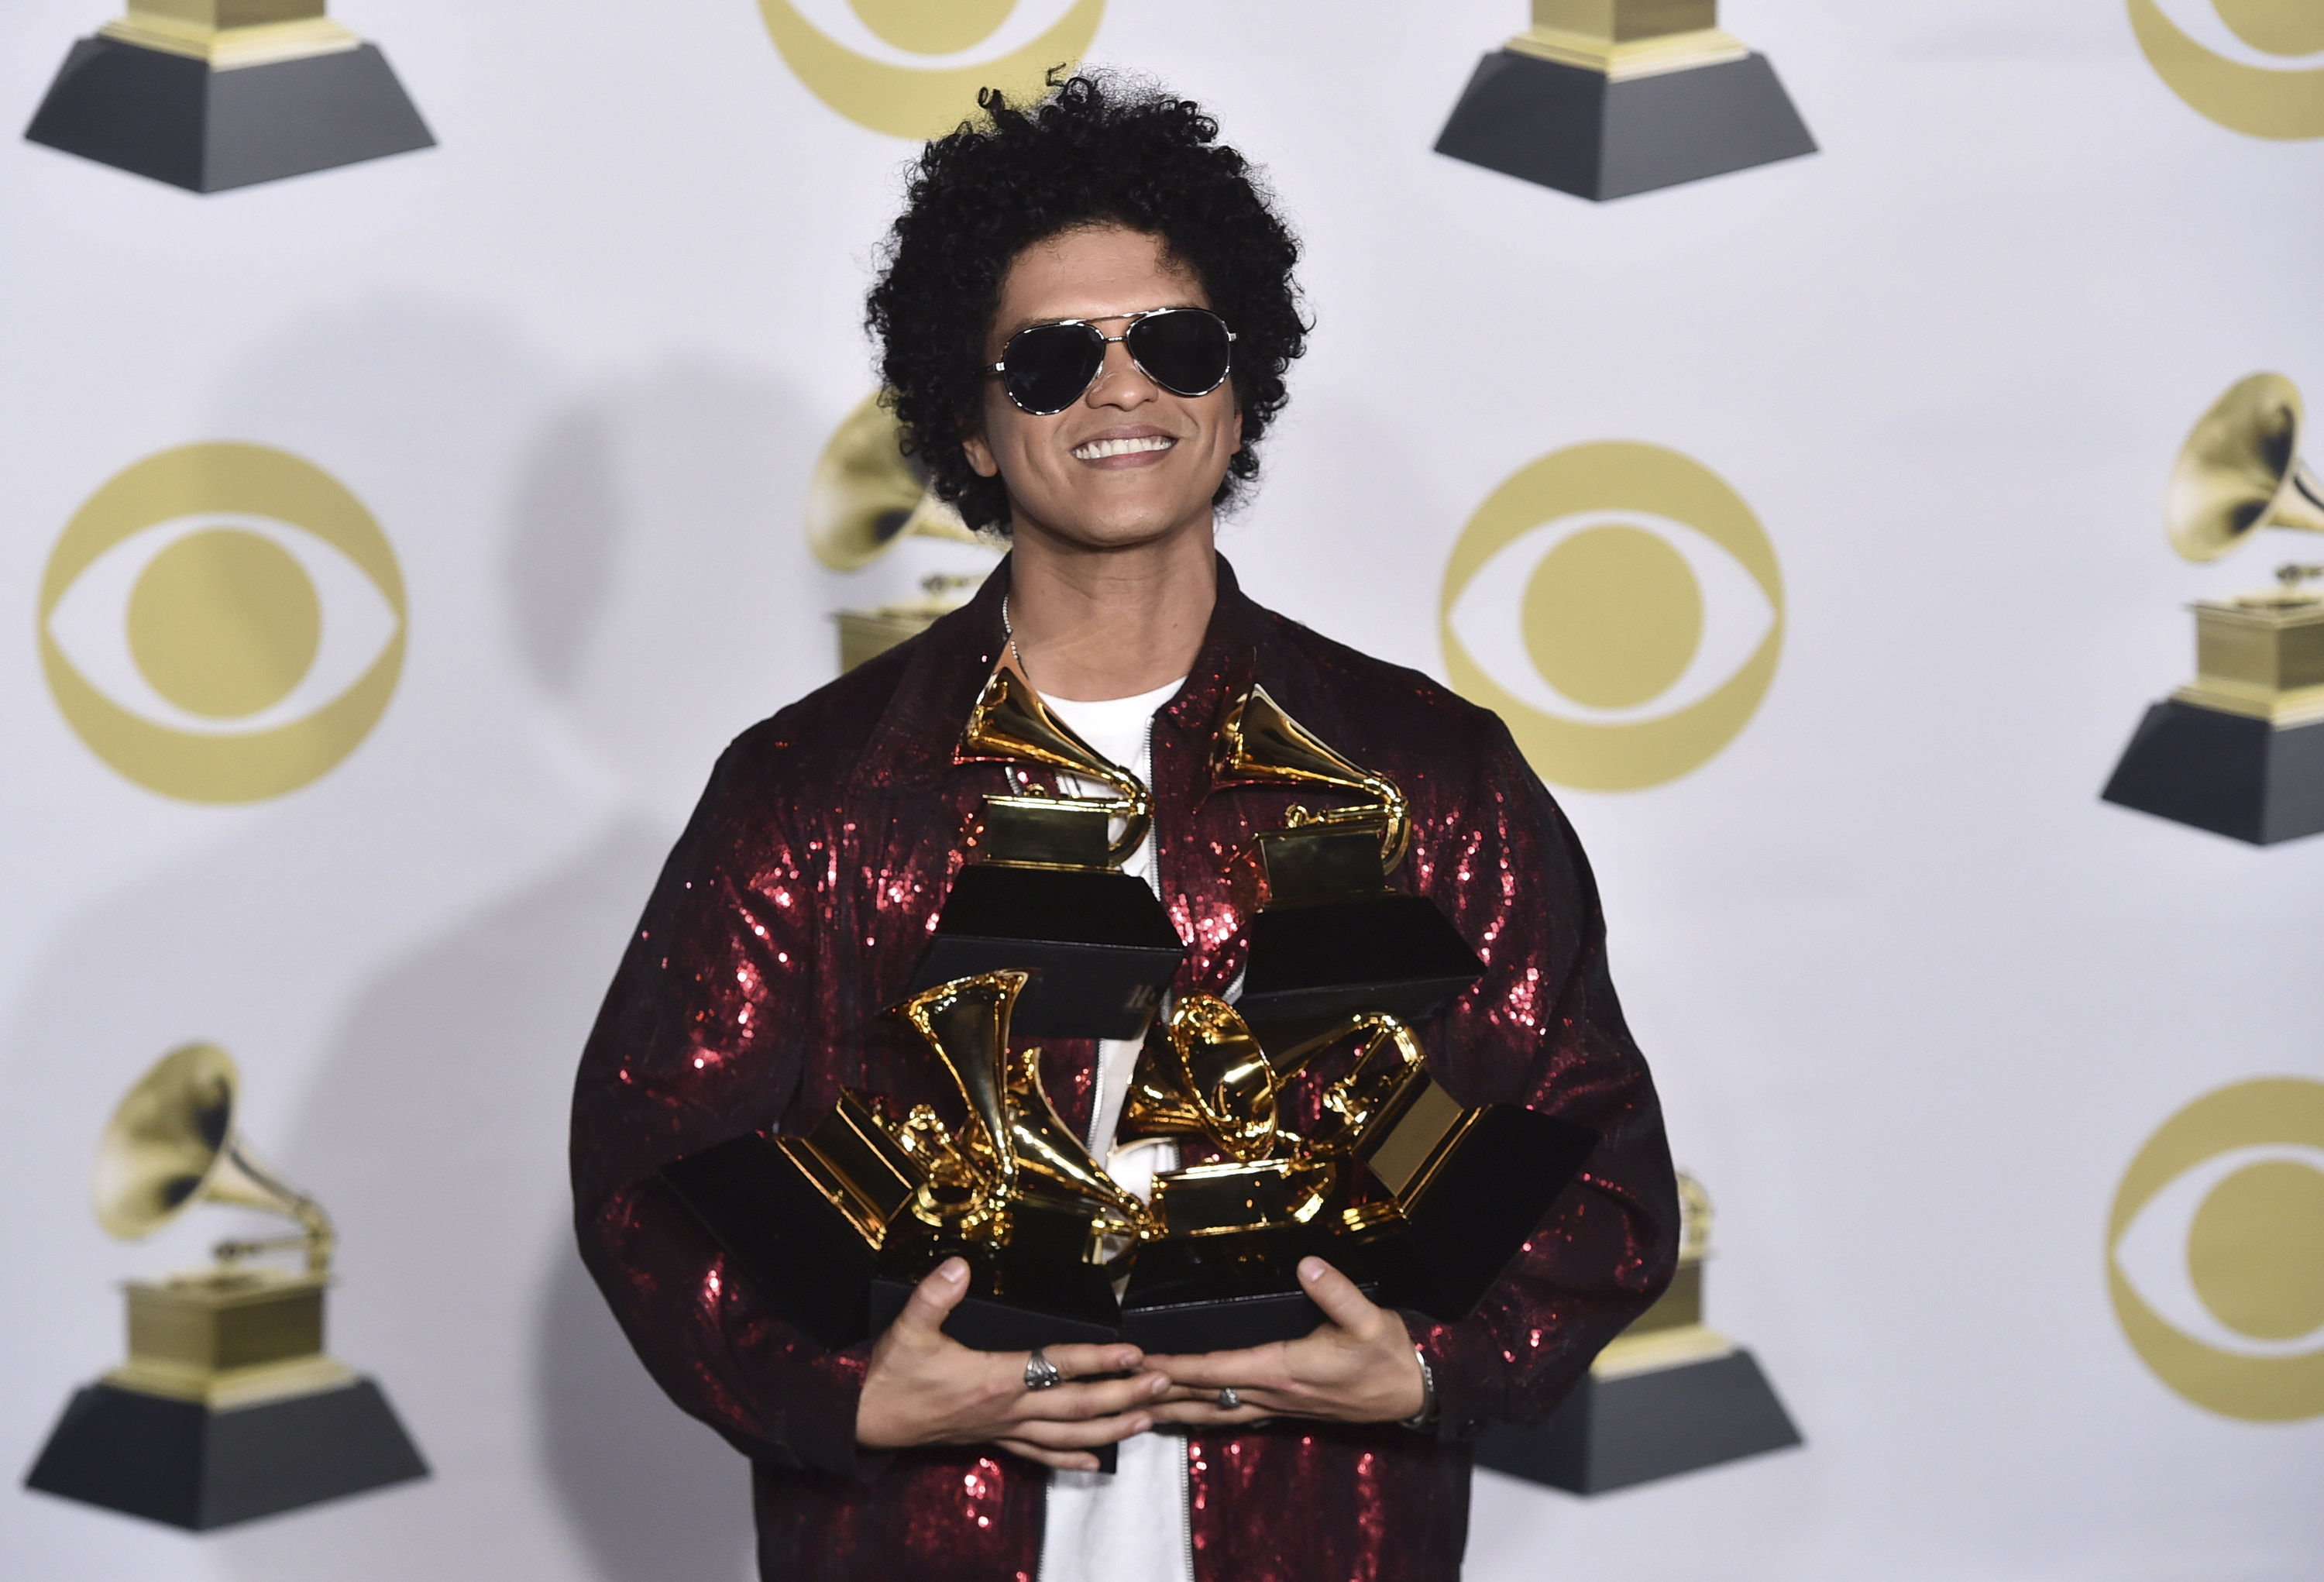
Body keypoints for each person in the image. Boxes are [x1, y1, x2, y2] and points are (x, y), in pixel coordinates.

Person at [571, 74, 1678, 1582]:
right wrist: (840, 1389)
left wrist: (1431, 1366)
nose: (1120, 388)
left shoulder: (1430, 773)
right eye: (1050, 357)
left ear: (1236, 384)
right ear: (969, 423)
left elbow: (1596, 1167)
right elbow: (653, 1157)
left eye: (1173, 340)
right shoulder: (812, 792)